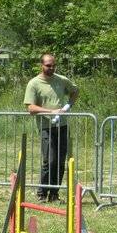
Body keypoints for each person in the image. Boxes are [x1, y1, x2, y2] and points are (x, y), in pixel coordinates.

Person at [24, 53, 79, 203]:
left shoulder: (61, 80)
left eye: (53, 65)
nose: (51, 68)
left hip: (62, 126)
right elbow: (30, 108)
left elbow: (75, 91)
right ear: (41, 65)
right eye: (48, 65)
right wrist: (51, 111)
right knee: (50, 160)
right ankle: (42, 193)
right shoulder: (34, 83)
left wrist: (68, 106)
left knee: (61, 162)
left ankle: (54, 194)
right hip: (46, 127)